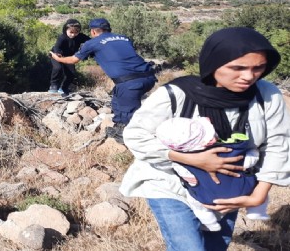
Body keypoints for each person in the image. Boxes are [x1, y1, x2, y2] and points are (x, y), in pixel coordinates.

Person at [119, 27, 289, 251]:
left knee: (216, 246)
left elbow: (278, 143)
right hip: (169, 184)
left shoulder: (266, 95)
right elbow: (135, 135)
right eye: (237, 68)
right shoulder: (177, 94)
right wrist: (193, 160)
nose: (249, 76)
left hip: (228, 186)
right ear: (213, 63)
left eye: (258, 68)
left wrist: (259, 194)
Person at [156, 116, 269, 231]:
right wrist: (254, 153)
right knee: (259, 187)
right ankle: (257, 210)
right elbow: (248, 161)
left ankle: (209, 222)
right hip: (242, 189)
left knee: (194, 200)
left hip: (205, 197)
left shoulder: (181, 160)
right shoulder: (227, 150)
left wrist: (190, 177)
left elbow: (188, 177)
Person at [50, 18, 156, 129]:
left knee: (127, 118)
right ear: (109, 29)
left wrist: (57, 58)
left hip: (129, 83)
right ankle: (119, 127)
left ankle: (124, 137)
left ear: (93, 32)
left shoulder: (92, 43)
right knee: (117, 102)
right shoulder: (125, 38)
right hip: (149, 77)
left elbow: (73, 60)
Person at [49, 19, 90, 95]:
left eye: (76, 32)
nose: (73, 34)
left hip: (68, 57)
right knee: (58, 68)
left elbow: (90, 41)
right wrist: (58, 54)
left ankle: (64, 87)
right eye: (71, 32)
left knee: (71, 73)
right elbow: (57, 47)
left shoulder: (80, 37)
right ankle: (53, 85)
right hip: (56, 55)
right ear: (65, 29)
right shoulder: (62, 37)